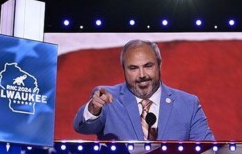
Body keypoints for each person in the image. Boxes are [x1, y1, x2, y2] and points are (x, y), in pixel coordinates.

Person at [73, 40, 213, 141]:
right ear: (123, 69)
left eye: (148, 66)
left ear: (159, 65)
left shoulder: (188, 104)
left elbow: (207, 152)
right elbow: (83, 128)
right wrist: (94, 109)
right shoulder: (108, 99)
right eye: (133, 68)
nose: (142, 75)